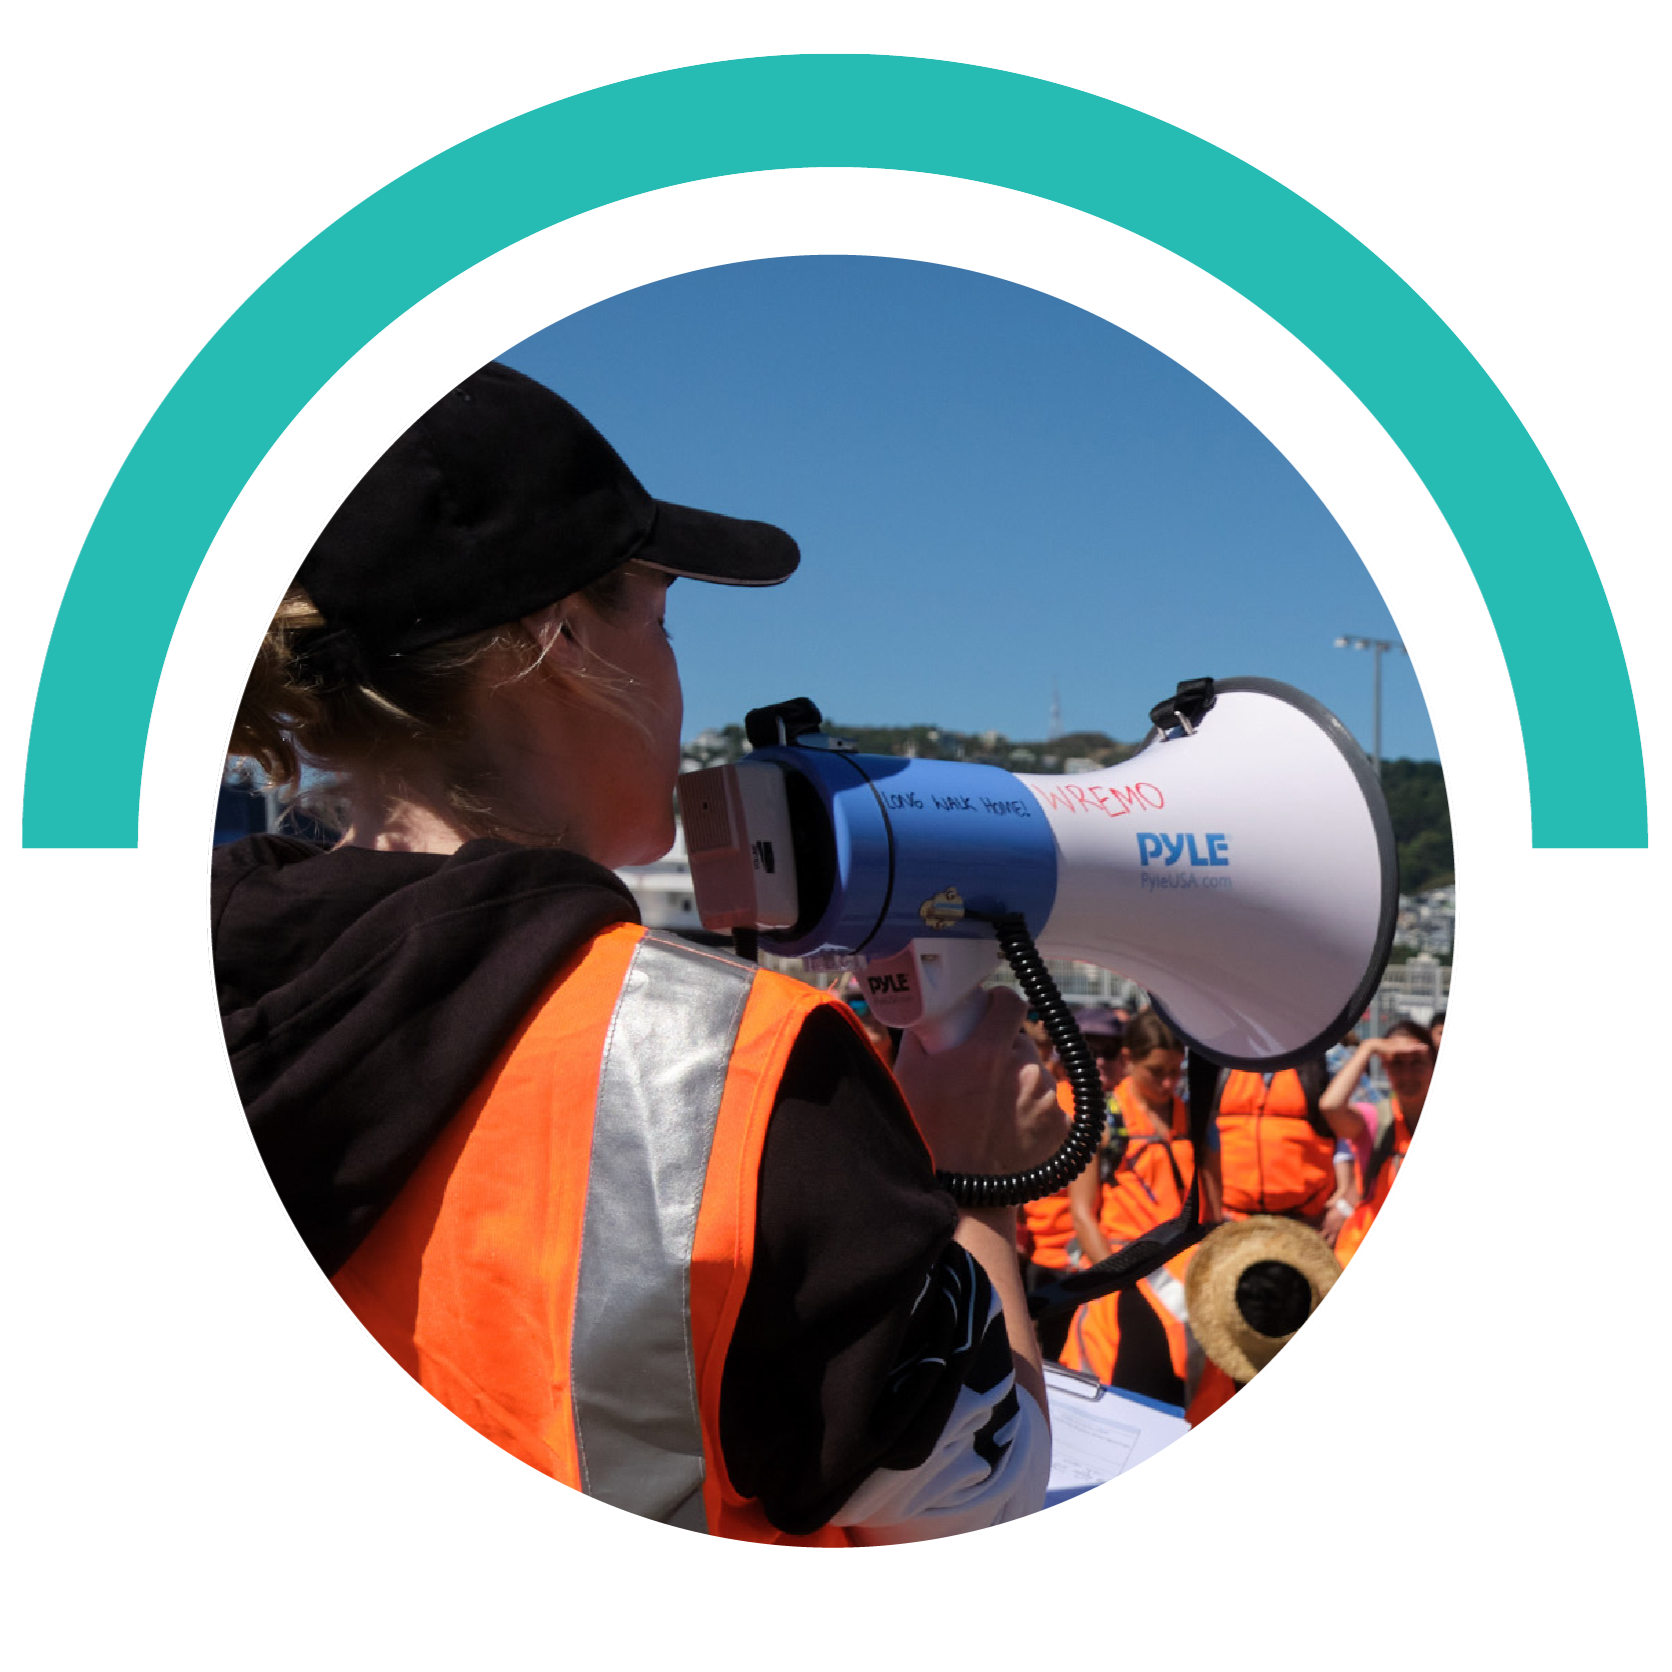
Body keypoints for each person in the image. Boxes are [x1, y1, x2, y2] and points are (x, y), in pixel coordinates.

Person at [212, 361, 1069, 1543]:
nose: (677, 673)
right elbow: (983, 1497)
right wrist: (973, 1188)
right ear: (560, 640)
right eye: (660, 617)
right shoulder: (738, 1073)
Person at [1060, 1010, 1216, 1409]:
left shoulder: (1195, 1119)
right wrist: (1117, 1282)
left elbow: (1212, 1205)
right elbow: (1082, 1214)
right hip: (1122, 1283)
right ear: (1128, 1059)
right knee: (1116, 1400)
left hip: (1186, 1289)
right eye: (1156, 1072)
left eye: (1176, 1072)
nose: (1168, 1083)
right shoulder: (1100, 1119)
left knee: (1191, 1406)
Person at [1199, 1053, 1367, 1246]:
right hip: (1232, 1226)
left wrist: (1345, 1205)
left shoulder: (1329, 1057)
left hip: (1310, 1227)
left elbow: (1366, 1131)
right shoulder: (1216, 1057)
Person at [1323, 1019, 1435, 1264]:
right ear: (1384, 1066)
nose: (1407, 1073)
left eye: (1416, 1062)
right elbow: (1331, 1106)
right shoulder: (1375, 1119)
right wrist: (1369, 1048)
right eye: (1397, 1062)